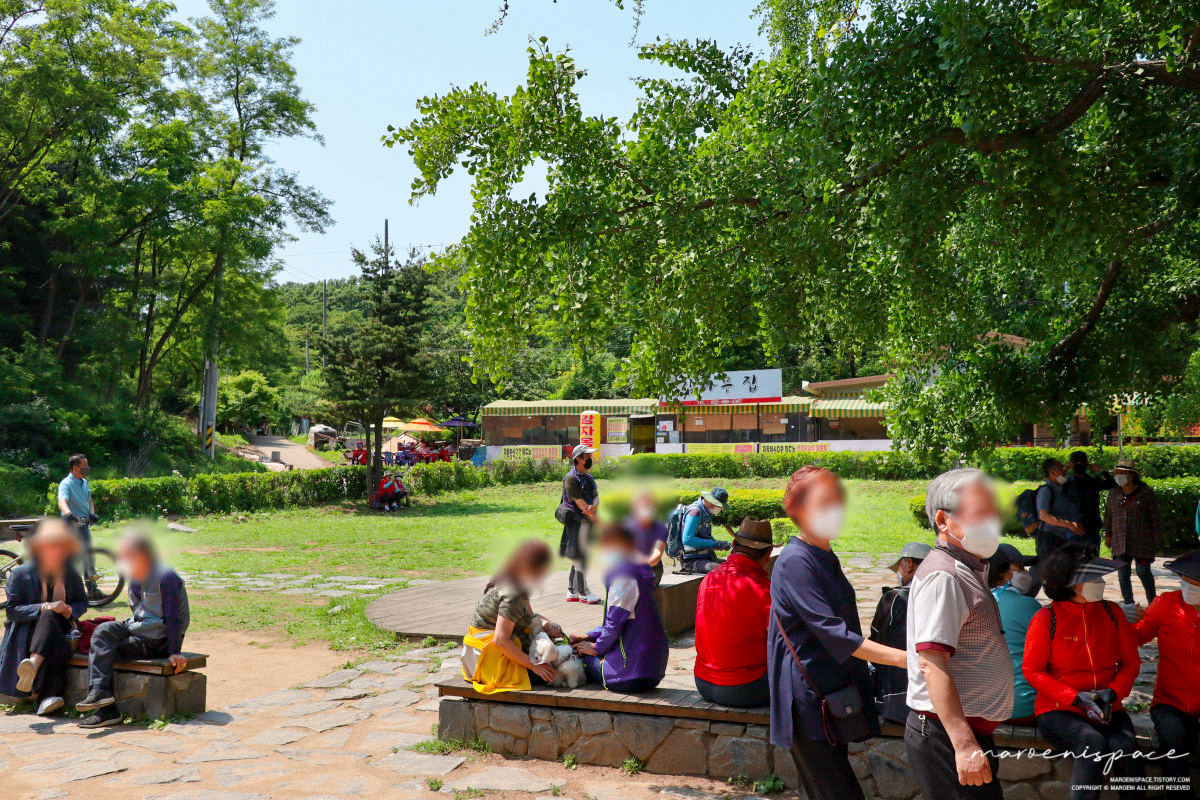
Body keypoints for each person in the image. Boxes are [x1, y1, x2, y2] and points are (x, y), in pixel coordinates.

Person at [769, 466, 907, 800]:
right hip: (808, 697)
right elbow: (834, 633)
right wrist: (906, 659)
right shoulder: (796, 561)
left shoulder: (823, 555)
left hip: (830, 691)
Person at [905, 468, 1012, 800]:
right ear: (943, 520)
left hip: (963, 732)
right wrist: (964, 744)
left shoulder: (966, 569)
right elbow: (932, 663)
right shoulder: (945, 576)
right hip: (948, 735)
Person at [1022, 544, 1142, 800]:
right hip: (1059, 709)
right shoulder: (1046, 618)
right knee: (1092, 743)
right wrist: (1075, 698)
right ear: (1072, 584)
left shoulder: (1112, 612)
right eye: (1093, 578)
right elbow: (1032, 670)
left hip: (1108, 706)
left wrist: (1113, 693)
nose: (1101, 582)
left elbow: (1131, 663)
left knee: (1126, 747)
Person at [77, 531, 191, 728]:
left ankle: (107, 710)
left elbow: (174, 618)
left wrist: (174, 651)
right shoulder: (136, 576)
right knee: (103, 631)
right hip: (138, 628)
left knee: (105, 650)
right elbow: (139, 613)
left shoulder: (166, 577)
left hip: (159, 639)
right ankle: (100, 693)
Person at [0, 520, 88, 717]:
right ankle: (48, 698)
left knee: (51, 623)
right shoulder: (20, 574)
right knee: (49, 619)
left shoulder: (70, 573)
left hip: (62, 626)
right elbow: (12, 611)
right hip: (28, 630)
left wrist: (70, 611)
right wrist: (44, 607)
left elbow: (82, 602)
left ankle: (33, 664)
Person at [572, 523, 669, 692]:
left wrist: (596, 648)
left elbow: (614, 625)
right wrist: (589, 636)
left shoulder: (624, 577)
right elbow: (620, 621)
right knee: (585, 647)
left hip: (630, 677)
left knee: (575, 655)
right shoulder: (637, 571)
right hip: (651, 672)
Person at [461, 539, 565, 693]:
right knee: (558, 671)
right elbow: (501, 640)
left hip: (486, 655)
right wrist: (533, 666)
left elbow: (528, 617)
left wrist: (549, 625)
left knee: (560, 657)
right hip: (490, 661)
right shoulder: (514, 594)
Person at [1134, 551, 1200, 793]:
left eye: (1195, 581)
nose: (1188, 585)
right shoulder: (1166, 603)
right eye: (1185, 579)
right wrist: (1125, 621)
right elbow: (1136, 636)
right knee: (1173, 745)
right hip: (1169, 703)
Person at [694, 518, 775, 707]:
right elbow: (783, 642)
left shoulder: (709, 579)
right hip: (745, 687)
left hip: (703, 682)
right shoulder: (764, 590)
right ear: (768, 554)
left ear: (732, 545)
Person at [868, 542, 931, 724]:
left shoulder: (894, 598)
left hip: (897, 700)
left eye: (900, 565)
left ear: (909, 564)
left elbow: (876, 642)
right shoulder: (944, 595)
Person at [986, 543, 1041, 725]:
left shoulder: (974, 602)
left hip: (980, 708)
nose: (1026, 573)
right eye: (1020, 567)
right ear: (1003, 573)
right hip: (1023, 709)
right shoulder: (1029, 606)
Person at [1104, 458, 1160, 606]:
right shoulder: (1114, 493)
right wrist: (1108, 534)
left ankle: (1153, 602)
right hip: (1120, 539)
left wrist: (1156, 535)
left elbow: (1154, 516)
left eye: (1123, 473)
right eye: (1117, 473)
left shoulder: (1145, 493)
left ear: (1132, 475)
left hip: (1142, 539)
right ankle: (1129, 603)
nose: (1119, 476)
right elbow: (1108, 515)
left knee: (1143, 570)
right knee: (1123, 572)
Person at [559, 444, 600, 604]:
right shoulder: (571, 478)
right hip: (576, 523)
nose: (590, 458)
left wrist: (594, 507)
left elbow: (596, 497)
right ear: (579, 459)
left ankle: (572, 591)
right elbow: (581, 504)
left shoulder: (589, 478)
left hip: (587, 521)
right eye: (587, 456)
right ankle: (583, 593)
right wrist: (592, 513)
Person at [1035, 458, 1085, 577]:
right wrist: (1068, 524)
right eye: (1061, 468)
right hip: (1050, 539)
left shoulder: (1060, 489)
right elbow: (1043, 516)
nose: (1064, 471)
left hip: (1063, 538)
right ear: (1052, 473)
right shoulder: (1046, 491)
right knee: (1051, 575)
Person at [57, 453, 98, 591]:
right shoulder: (66, 484)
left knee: (88, 556)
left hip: (83, 523)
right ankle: (68, 590)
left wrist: (92, 514)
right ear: (75, 468)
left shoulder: (84, 482)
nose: (87, 468)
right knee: (71, 559)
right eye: (84, 465)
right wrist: (69, 514)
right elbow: (62, 501)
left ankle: (93, 589)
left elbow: (89, 501)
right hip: (70, 525)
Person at [1063, 450, 1116, 554]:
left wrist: (1101, 471)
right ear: (1071, 465)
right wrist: (1065, 470)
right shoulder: (1066, 483)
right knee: (1073, 561)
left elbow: (1112, 484)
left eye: (1082, 463)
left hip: (1092, 528)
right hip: (1073, 528)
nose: (1079, 465)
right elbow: (1052, 484)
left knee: (1093, 559)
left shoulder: (1093, 481)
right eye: (1076, 463)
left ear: (1087, 464)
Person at [680, 486, 732, 574]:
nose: (720, 509)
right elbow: (687, 539)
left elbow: (704, 536)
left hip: (705, 557)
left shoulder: (707, 512)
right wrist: (716, 544)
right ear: (712, 502)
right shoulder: (695, 512)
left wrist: (720, 544)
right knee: (725, 570)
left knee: (733, 566)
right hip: (692, 561)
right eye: (720, 506)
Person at [627, 491, 668, 586]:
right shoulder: (628, 525)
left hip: (652, 569)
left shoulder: (660, 528)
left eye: (647, 505)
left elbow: (657, 553)